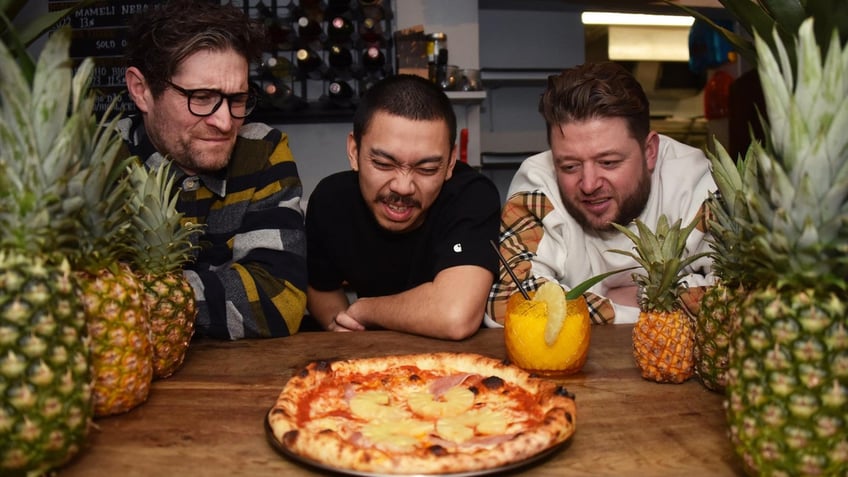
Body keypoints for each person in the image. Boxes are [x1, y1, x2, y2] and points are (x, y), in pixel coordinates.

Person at [119, 0, 307, 339]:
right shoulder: (97, 164)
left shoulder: (262, 150)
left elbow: (278, 303)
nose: (224, 122)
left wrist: (135, 300)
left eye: (237, 99)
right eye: (202, 97)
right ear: (141, 90)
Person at [486, 62, 715, 326]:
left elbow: (739, 295)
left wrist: (595, 295)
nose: (589, 184)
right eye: (570, 166)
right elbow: (508, 304)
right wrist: (651, 302)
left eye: (608, 162)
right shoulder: (538, 185)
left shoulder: (695, 181)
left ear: (650, 152)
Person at [306, 74, 501, 340]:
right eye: (384, 164)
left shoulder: (471, 195)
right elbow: (321, 287)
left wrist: (365, 310)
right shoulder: (330, 200)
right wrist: (346, 327)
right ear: (354, 151)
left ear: (451, 163)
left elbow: (454, 315)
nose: (403, 186)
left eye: (427, 168)